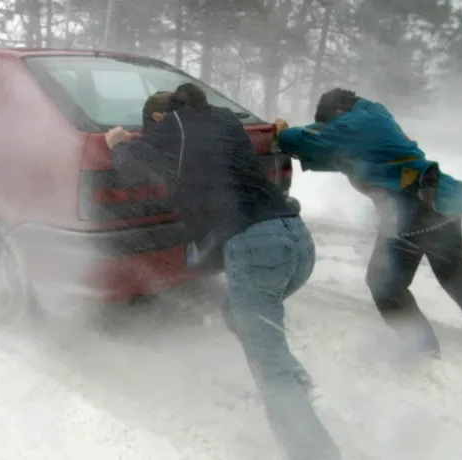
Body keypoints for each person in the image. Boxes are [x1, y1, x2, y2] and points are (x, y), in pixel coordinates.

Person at [105, 84, 342, 460]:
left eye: (151, 126)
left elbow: (134, 167)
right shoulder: (227, 120)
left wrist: (118, 142)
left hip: (256, 248)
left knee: (271, 373)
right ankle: (300, 385)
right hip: (296, 240)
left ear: (158, 117)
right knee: (236, 313)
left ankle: (314, 450)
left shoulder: (175, 124)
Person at [275, 88, 462, 358]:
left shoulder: (359, 123)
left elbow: (318, 138)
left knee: (384, 283)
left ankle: (421, 347)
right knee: (454, 275)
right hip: (440, 202)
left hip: (413, 209)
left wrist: (283, 133)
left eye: (330, 121)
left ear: (338, 112)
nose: (331, 126)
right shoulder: (372, 116)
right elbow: (338, 150)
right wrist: (306, 146)